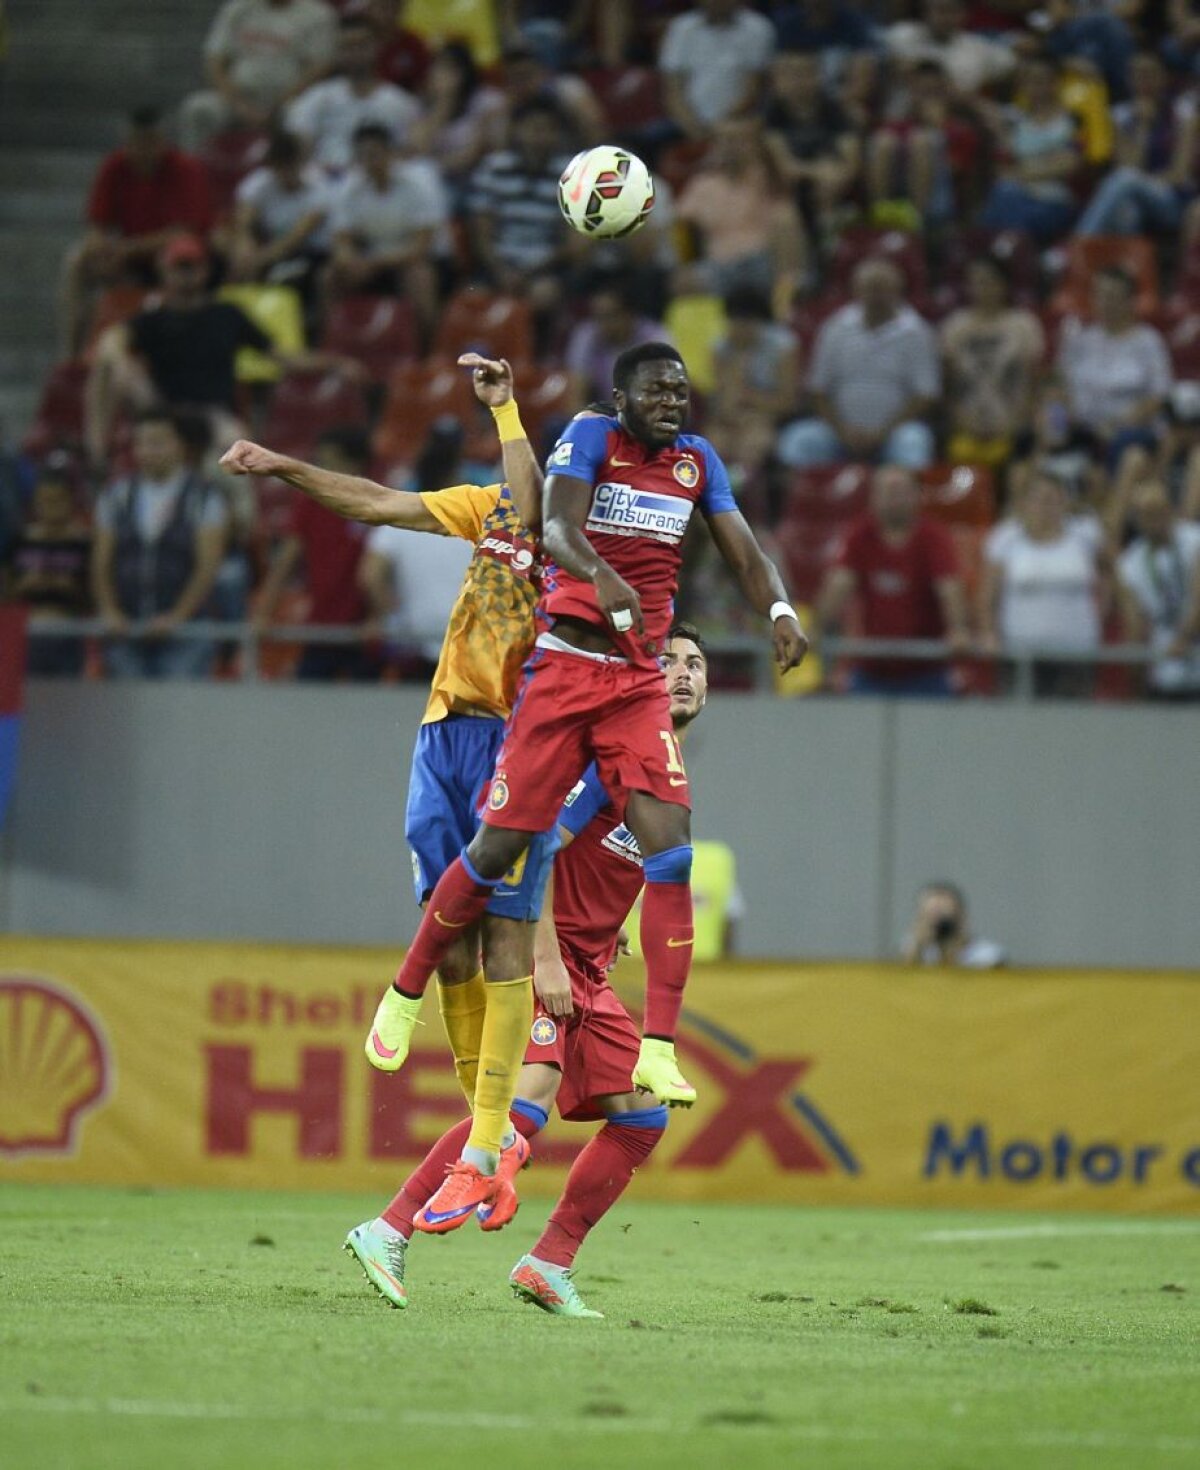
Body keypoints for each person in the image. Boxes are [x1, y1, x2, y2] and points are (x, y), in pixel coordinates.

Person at [361, 340, 806, 1229]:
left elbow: (744, 546)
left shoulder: (697, 464)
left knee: (672, 849)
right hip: (568, 670)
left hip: (622, 701)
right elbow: (557, 528)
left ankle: (644, 1080)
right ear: (621, 395)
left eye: (684, 387)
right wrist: (552, 957)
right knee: (497, 853)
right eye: (658, 388)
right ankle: (400, 1157)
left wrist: (780, 608)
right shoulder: (591, 440)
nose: (675, 400)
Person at [221, 355, 550, 1224]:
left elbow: (530, 477)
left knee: (503, 939)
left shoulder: (592, 562)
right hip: (444, 736)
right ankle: (488, 1141)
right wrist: (286, 466)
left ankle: (488, 1142)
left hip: (525, 747)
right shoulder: (493, 512)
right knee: (447, 940)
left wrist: (508, 410)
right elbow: (374, 502)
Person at [344, 624, 711, 1316]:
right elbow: (534, 841)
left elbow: (612, 864)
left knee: (641, 1116)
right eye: (666, 661)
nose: (682, 672)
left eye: (695, 663)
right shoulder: (609, 760)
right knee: (523, 1105)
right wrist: (543, 954)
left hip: (589, 966)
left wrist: (613, 929)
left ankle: (547, 1262)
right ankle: (387, 1228)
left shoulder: (660, 775)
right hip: (543, 960)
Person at [85, 233, 362, 466]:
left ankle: (241, 518)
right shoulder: (152, 320)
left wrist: (334, 363)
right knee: (110, 367)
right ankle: (97, 454)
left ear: (205, 270)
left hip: (214, 415)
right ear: (164, 271)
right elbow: (111, 342)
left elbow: (281, 356)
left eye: (190, 267)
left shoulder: (226, 315)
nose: (185, 275)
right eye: (178, 267)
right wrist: (124, 365)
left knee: (236, 449)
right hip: (165, 413)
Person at [60, 106, 214, 354]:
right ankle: (72, 351)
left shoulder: (186, 169)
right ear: (127, 143)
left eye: (150, 142)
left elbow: (186, 233)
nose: (143, 150)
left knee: (181, 255)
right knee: (77, 260)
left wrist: (128, 249)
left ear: (163, 142)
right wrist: (100, 247)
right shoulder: (114, 167)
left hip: (172, 256)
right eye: (136, 143)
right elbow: (97, 223)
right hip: (127, 257)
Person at [92, 409, 228, 679]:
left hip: (186, 632)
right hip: (127, 626)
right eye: (140, 443)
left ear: (180, 445)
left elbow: (208, 566)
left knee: (178, 714)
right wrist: (109, 609)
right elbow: (102, 560)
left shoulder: (203, 498)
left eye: (156, 442)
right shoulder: (117, 496)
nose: (146, 451)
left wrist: (178, 616)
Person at [815, 465, 970, 696]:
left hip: (926, 669)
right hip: (871, 669)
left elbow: (948, 588)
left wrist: (957, 629)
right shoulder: (860, 535)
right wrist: (818, 627)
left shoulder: (933, 537)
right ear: (873, 498)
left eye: (901, 492)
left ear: (917, 496)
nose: (894, 500)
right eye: (887, 492)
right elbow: (839, 585)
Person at [778, 258, 941, 470]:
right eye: (870, 289)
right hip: (839, 431)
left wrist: (883, 432)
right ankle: (806, 502)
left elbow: (925, 395)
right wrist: (842, 430)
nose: (875, 297)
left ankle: (902, 500)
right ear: (856, 291)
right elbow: (818, 390)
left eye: (882, 290)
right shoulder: (835, 327)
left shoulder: (916, 332)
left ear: (898, 291)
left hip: (894, 433)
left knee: (914, 443)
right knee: (798, 441)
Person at [254, 426, 379, 681]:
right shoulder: (310, 502)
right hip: (322, 627)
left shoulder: (380, 503)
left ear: (353, 463)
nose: (320, 467)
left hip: (365, 632)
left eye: (328, 460)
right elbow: (285, 562)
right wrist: (264, 612)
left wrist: (380, 616)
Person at [979, 467, 1109, 698]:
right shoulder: (1005, 538)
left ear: (1064, 502)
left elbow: (1109, 578)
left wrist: (1100, 616)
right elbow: (988, 594)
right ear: (1025, 503)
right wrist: (990, 632)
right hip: (1020, 653)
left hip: (1076, 651)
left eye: (1053, 499)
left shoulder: (1086, 535)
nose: (1045, 506)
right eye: (1038, 499)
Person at [323, 123, 447, 338]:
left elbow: (420, 246)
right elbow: (341, 239)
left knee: (420, 278)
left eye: (374, 154)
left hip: (413, 260)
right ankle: (332, 342)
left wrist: (372, 263)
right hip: (371, 260)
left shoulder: (419, 184)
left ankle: (429, 346)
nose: (369, 161)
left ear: (390, 153)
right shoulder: (349, 188)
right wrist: (347, 260)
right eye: (362, 156)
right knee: (330, 276)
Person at [675, 117, 809, 306]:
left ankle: (784, 309)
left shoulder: (768, 176)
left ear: (753, 145)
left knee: (785, 223)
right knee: (687, 280)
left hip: (762, 258)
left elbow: (786, 208)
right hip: (718, 265)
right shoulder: (703, 183)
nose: (731, 147)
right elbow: (681, 225)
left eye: (738, 140)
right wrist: (684, 265)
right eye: (724, 141)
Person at [1056, 264, 1173, 479]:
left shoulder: (1148, 341)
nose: (1106, 302)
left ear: (1130, 300)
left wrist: (1120, 423)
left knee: (1123, 447)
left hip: (1129, 431)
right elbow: (1062, 389)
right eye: (1101, 295)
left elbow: (1159, 396)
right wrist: (1062, 420)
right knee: (1034, 439)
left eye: (1114, 296)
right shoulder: (1080, 340)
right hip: (1083, 429)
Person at [179, 0, 338, 152]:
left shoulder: (317, 14)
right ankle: (196, 171)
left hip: (289, 99)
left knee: (300, 117)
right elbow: (215, 60)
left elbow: (319, 68)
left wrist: (277, 106)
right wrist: (239, 104)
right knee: (199, 109)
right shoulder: (239, 8)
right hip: (239, 95)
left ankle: (297, 175)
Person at [1075, 50, 1199, 238]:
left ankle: (1079, 242)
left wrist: (1143, 183)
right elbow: (1128, 167)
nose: (1143, 80)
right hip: (1134, 195)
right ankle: (1126, 266)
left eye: (1149, 73)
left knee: (1126, 181)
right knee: (1127, 211)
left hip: (1172, 201)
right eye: (1136, 74)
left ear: (1164, 77)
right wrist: (1142, 127)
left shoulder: (1184, 113)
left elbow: (1180, 174)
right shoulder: (1121, 115)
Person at [940, 256, 1046, 469]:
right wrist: (962, 421)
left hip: (1014, 424)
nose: (982, 289)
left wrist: (1019, 420)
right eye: (976, 282)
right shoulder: (955, 326)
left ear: (1003, 285)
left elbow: (1036, 380)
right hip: (967, 426)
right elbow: (946, 386)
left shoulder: (1024, 325)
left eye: (989, 282)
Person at [285, 12, 421, 176]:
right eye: (347, 47)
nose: (355, 54)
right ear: (338, 52)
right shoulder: (320, 96)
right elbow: (297, 140)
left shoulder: (399, 101)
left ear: (377, 47)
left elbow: (409, 151)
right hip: (327, 182)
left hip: (376, 183)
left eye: (361, 45)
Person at [979, 52, 1082, 245]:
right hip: (1013, 196)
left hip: (1052, 201)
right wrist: (1044, 163)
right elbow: (1001, 169)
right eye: (1030, 81)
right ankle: (1003, 254)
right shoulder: (1015, 121)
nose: (1036, 87)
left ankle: (1002, 256)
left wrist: (1021, 173)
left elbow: (1068, 164)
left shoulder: (1071, 121)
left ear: (1055, 83)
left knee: (1006, 195)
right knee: (1003, 195)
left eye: (1042, 80)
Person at [1116, 479, 1200, 699]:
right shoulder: (1130, 562)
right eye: (1146, 513)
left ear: (1170, 509)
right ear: (1136, 519)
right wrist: (1138, 671)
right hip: (1165, 668)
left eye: (1159, 510)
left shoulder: (1194, 540)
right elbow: (1134, 624)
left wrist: (1183, 640)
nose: (1155, 519)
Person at [6, 469, 92, 677]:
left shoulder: (83, 543)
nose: (51, 508)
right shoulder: (20, 542)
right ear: (34, 503)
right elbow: (6, 594)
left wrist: (69, 588)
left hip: (68, 633)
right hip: (25, 634)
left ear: (71, 502)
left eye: (57, 501)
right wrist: (24, 587)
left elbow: (94, 597)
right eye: (44, 501)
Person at [227, 130, 333, 297]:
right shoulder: (259, 182)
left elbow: (295, 238)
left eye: (289, 166)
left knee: (277, 273)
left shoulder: (319, 187)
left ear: (299, 163)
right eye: (279, 167)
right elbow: (244, 224)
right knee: (229, 246)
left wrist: (257, 261)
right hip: (269, 247)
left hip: (309, 252)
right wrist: (244, 248)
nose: (284, 173)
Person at [659, 0, 777, 141]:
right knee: (638, 141)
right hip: (687, 122)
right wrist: (693, 127)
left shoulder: (758, 28)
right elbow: (673, 90)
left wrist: (720, 126)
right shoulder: (681, 28)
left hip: (738, 120)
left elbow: (753, 90)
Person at [564, 279, 667, 412]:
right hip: (602, 416)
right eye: (597, 317)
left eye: (609, 316)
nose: (602, 325)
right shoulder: (587, 336)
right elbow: (575, 396)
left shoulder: (655, 338)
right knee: (556, 425)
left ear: (629, 315)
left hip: (646, 417)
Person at [885, 0, 1014, 96]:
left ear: (963, 14)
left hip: (958, 119)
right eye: (940, 10)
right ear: (925, 11)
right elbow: (873, 51)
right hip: (901, 120)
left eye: (953, 11)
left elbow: (1011, 65)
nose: (946, 18)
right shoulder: (901, 36)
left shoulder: (978, 47)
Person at [901, 881, 1007, 968]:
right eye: (930, 916)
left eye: (943, 918)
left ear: (961, 917)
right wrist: (917, 947)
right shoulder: (919, 951)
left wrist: (951, 951)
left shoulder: (988, 955)